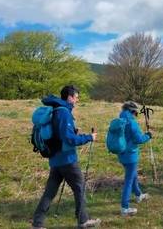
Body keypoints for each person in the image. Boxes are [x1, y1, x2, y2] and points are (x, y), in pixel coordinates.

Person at [31, 85, 101, 229]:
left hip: (55, 159)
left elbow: (60, 134)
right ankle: (83, 221)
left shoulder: (56, 110)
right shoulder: (63, 113)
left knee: (49, 193)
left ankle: (37, 224)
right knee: (79, 188)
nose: (77, 100)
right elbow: (69, 139)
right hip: (67, 160)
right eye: (76, 97)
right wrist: (89, 137)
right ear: (69, 97)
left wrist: (73, 132)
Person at [117, 101, 152, 216]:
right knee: (129, 180)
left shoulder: (120, 119)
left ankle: (138, 195)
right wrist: (148, 136)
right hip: (130, 155)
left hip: (121, 153)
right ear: (132, 111)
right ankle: (124, 207)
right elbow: (138, 139)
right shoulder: (131, 123)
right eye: (135, 113)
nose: (135, 115)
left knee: (133, 175)